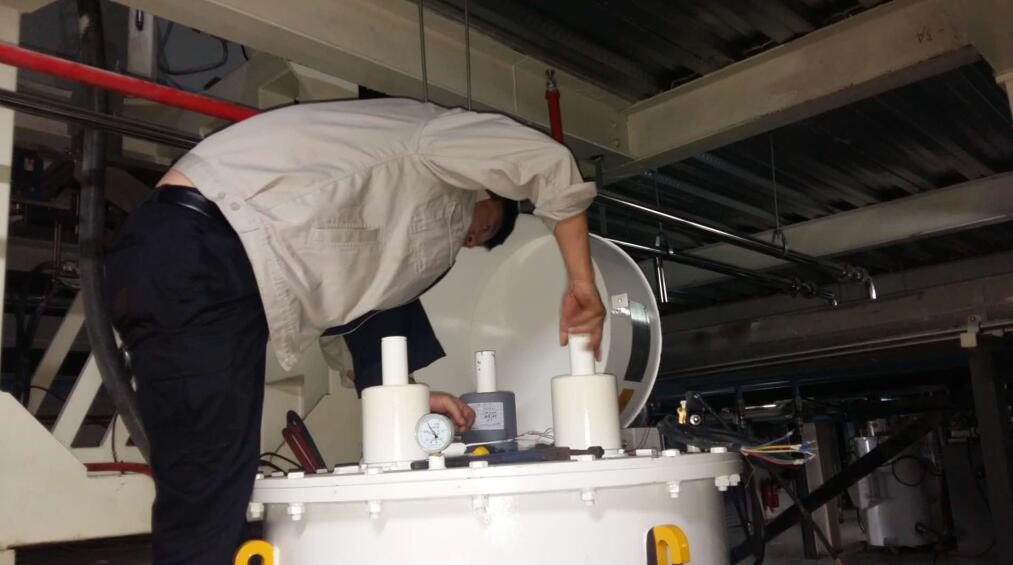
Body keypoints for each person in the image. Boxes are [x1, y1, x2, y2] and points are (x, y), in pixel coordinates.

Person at [104, 97, 606, 565]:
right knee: (206, 498)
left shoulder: (385, 210)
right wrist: (581, 284)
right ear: (485, 185)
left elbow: (355, 310)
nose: (471, 238)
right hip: (204, 248)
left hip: (182, 255)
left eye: (477, 243)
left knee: (207, 488)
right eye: (486, 224)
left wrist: (403, 392)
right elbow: (545, 163)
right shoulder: (433, 138)